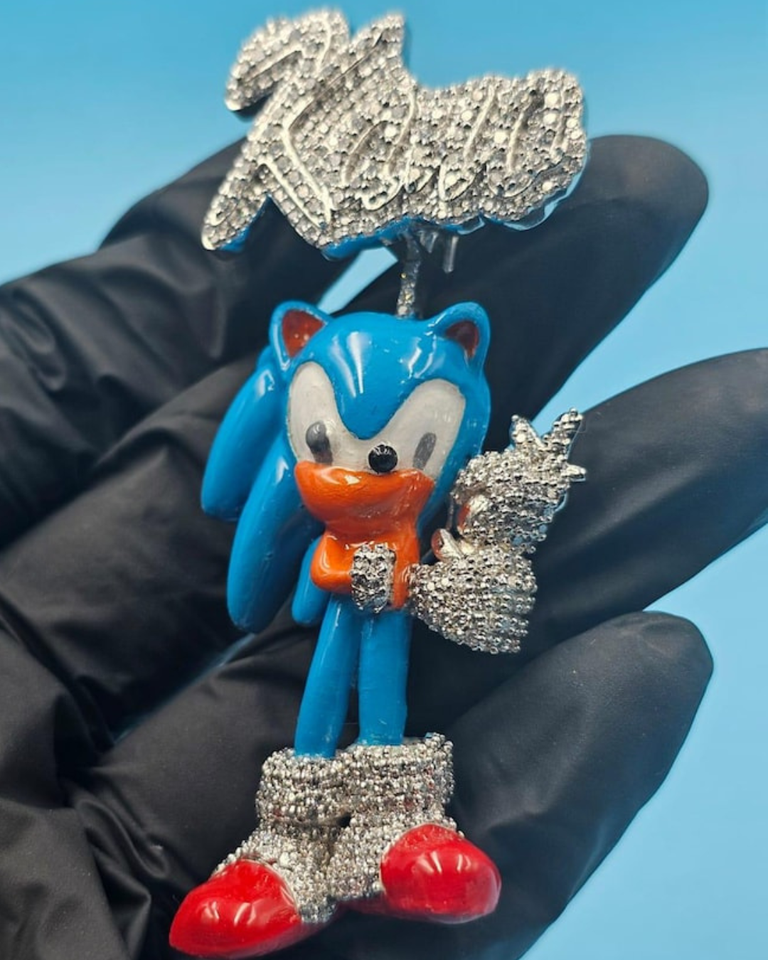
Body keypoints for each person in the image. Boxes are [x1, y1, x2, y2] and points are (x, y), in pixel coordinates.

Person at [0, 134, 764, 960]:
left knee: (384, 710)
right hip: (348, 608)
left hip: (389, 591)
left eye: (389, 458)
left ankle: (396, 823)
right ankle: (288, 843)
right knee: (320, 711)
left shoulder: (421, 477)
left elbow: (388, 585)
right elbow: (307, 589)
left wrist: (435, 576)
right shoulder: (332, 517)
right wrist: (359, 571)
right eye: (325, 448)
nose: (351, 476)